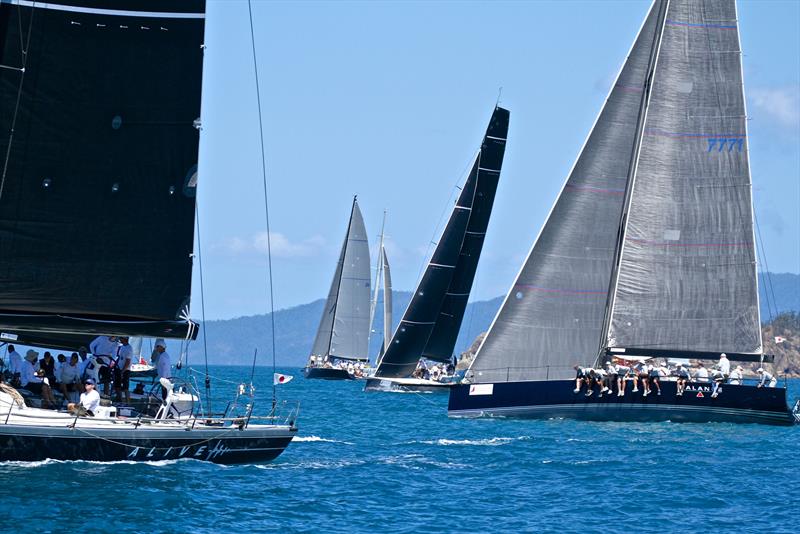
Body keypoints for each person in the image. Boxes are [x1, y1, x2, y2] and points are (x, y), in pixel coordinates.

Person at [114, 336, 133, 404]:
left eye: (121, 338)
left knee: (125, 387)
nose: (119, 339)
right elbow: (119, 357)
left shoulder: (129, 348)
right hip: (118, 368)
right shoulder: (121, 347)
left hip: (125, 370)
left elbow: (128, 361)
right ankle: (119, 400)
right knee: (117, 386)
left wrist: (123, 371)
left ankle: (128, 402)